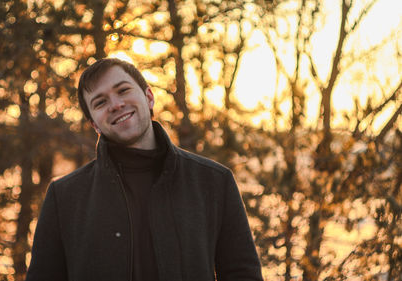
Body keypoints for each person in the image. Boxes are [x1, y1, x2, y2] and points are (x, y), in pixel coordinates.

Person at [25, 58, 263, 281]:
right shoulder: (65, 197)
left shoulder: (213, 182)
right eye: (100, 102)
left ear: (149, 97)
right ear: (94, 124)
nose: (116, 105)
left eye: (123, 90)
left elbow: (242, 275)